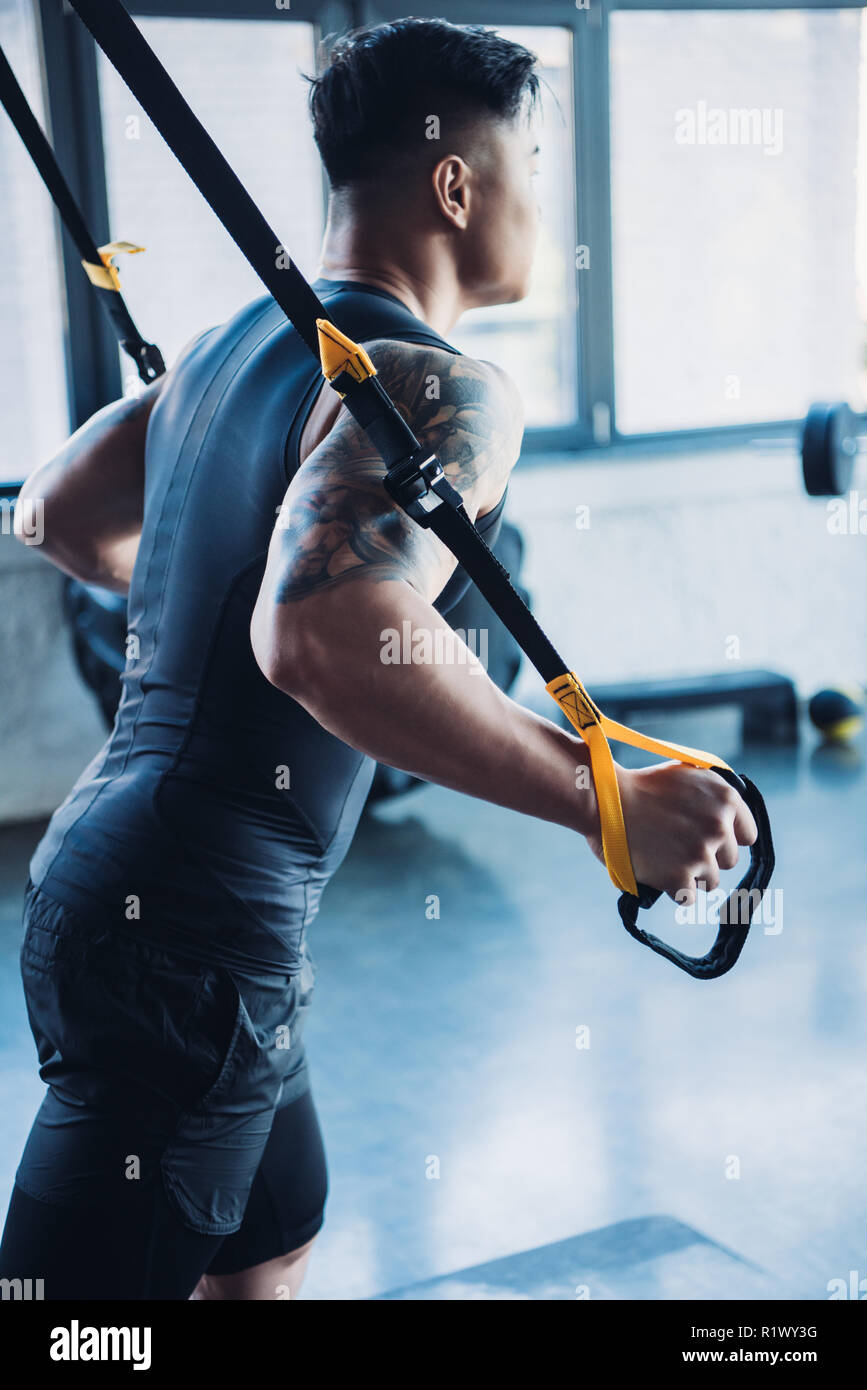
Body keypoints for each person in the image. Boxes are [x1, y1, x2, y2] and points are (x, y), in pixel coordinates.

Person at [0, 18, 755, 1300]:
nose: (541, 199)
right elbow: (320, 632)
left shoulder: (233, 345)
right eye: (532, 158)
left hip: (147, 895)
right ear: (457, 183)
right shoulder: (440, 385)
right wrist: (601, 796)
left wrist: (203, 607)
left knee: (273, 1242)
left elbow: (55, 510)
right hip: (195, 935)